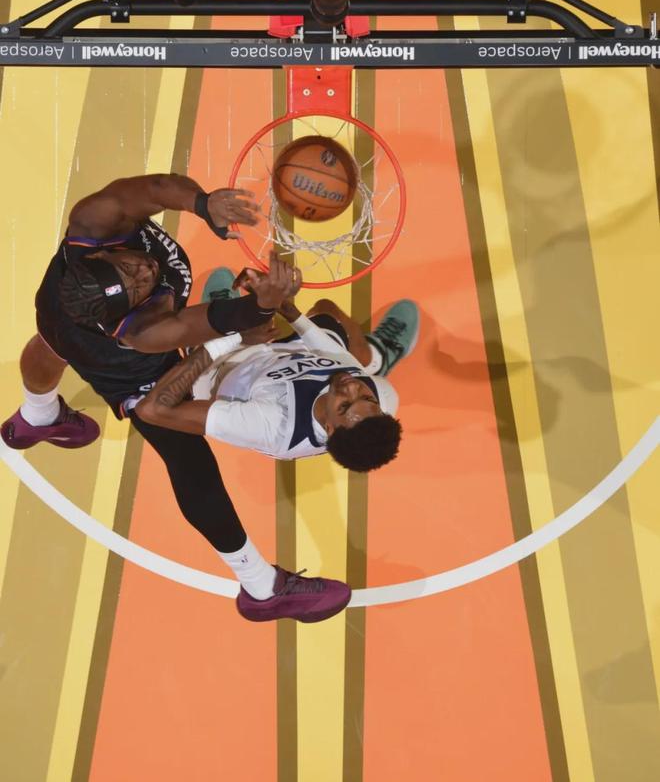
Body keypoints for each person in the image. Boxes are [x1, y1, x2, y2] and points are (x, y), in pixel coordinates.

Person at [1, 174, 351, 623]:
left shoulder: (93, 221)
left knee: (52, 341)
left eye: (129, 267)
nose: (144, 272)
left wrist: (202, 204)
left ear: (102, 251)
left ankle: (38, 417)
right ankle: (261, 587)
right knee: (188, 458)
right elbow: (201, 324)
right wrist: (262, 306)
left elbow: (150, 190)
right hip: (124, 365)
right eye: (136, 288)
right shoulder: (145, 332)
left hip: (59, 304)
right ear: (129, 311)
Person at [135, 266, 420, 472]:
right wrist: (284, 306)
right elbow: (336, 358)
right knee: (327, 310)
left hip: (224, 371)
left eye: (345, 405)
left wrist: (233, 337)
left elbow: (152, 410)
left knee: (198, 334)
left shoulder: (271, 425)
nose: (352, 386)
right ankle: (378, 358)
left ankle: (219, 319)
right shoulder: (379, 397)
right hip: (282, 359)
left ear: (330, 428)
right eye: (366, 397)